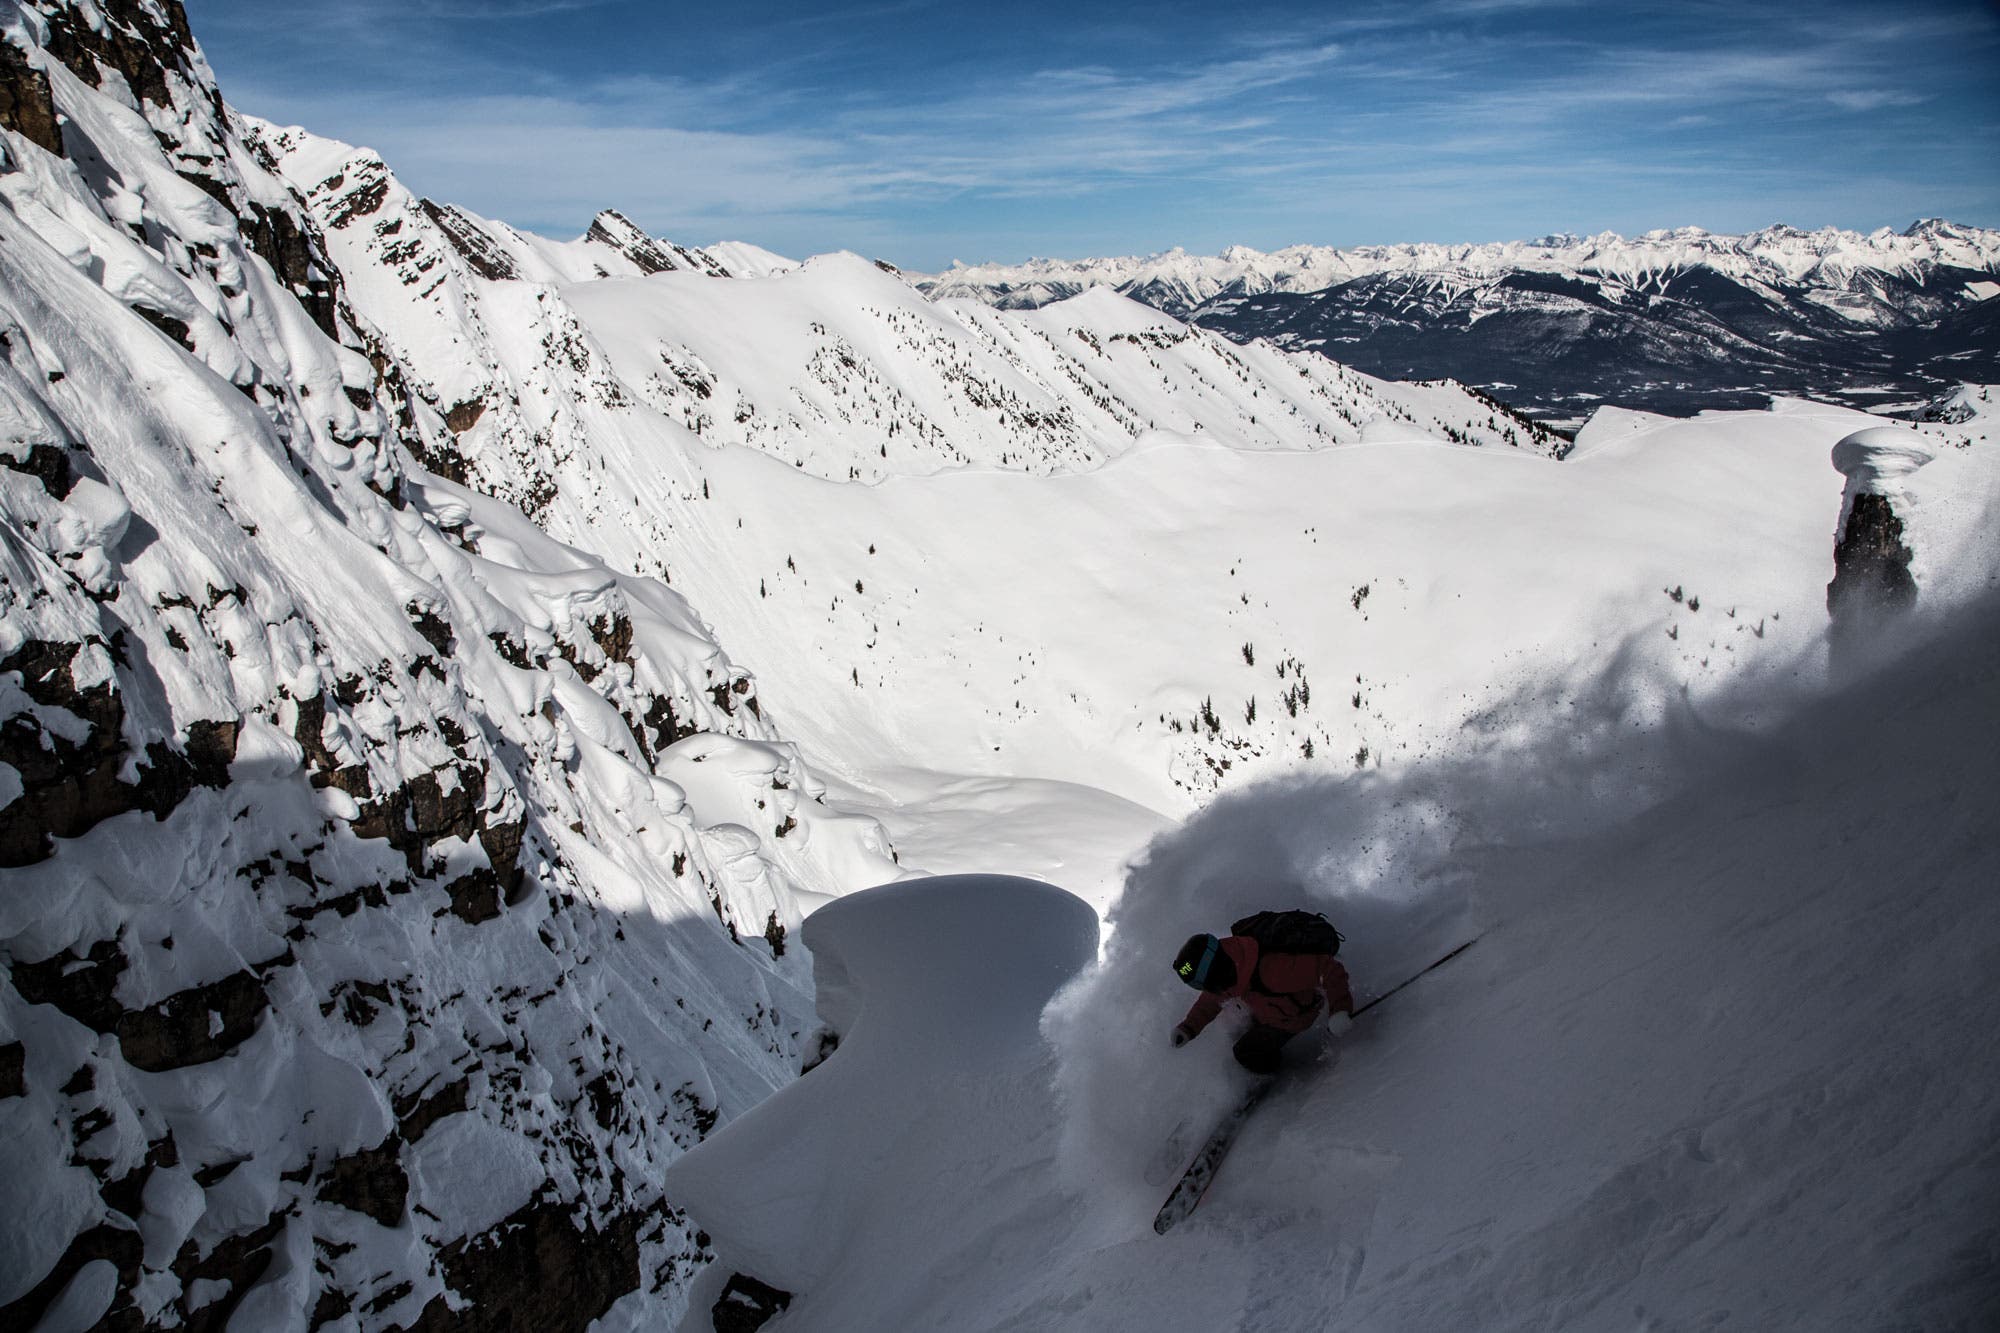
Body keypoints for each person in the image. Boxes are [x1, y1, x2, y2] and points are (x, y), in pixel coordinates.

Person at [1170, 916, 1353, 1076]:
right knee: (1237, 1031)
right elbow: (1210, 1001)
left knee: (1245, 1051)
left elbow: (1328, 970)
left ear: (1218, 973)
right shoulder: (1230, 967)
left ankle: (1274, 1073)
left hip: (1295, 1017)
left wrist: (1340, 1010)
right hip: (1270, 1011)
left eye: (1209, 984)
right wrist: (1188, 1028)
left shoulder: (1273, 972)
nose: (1211, 990)